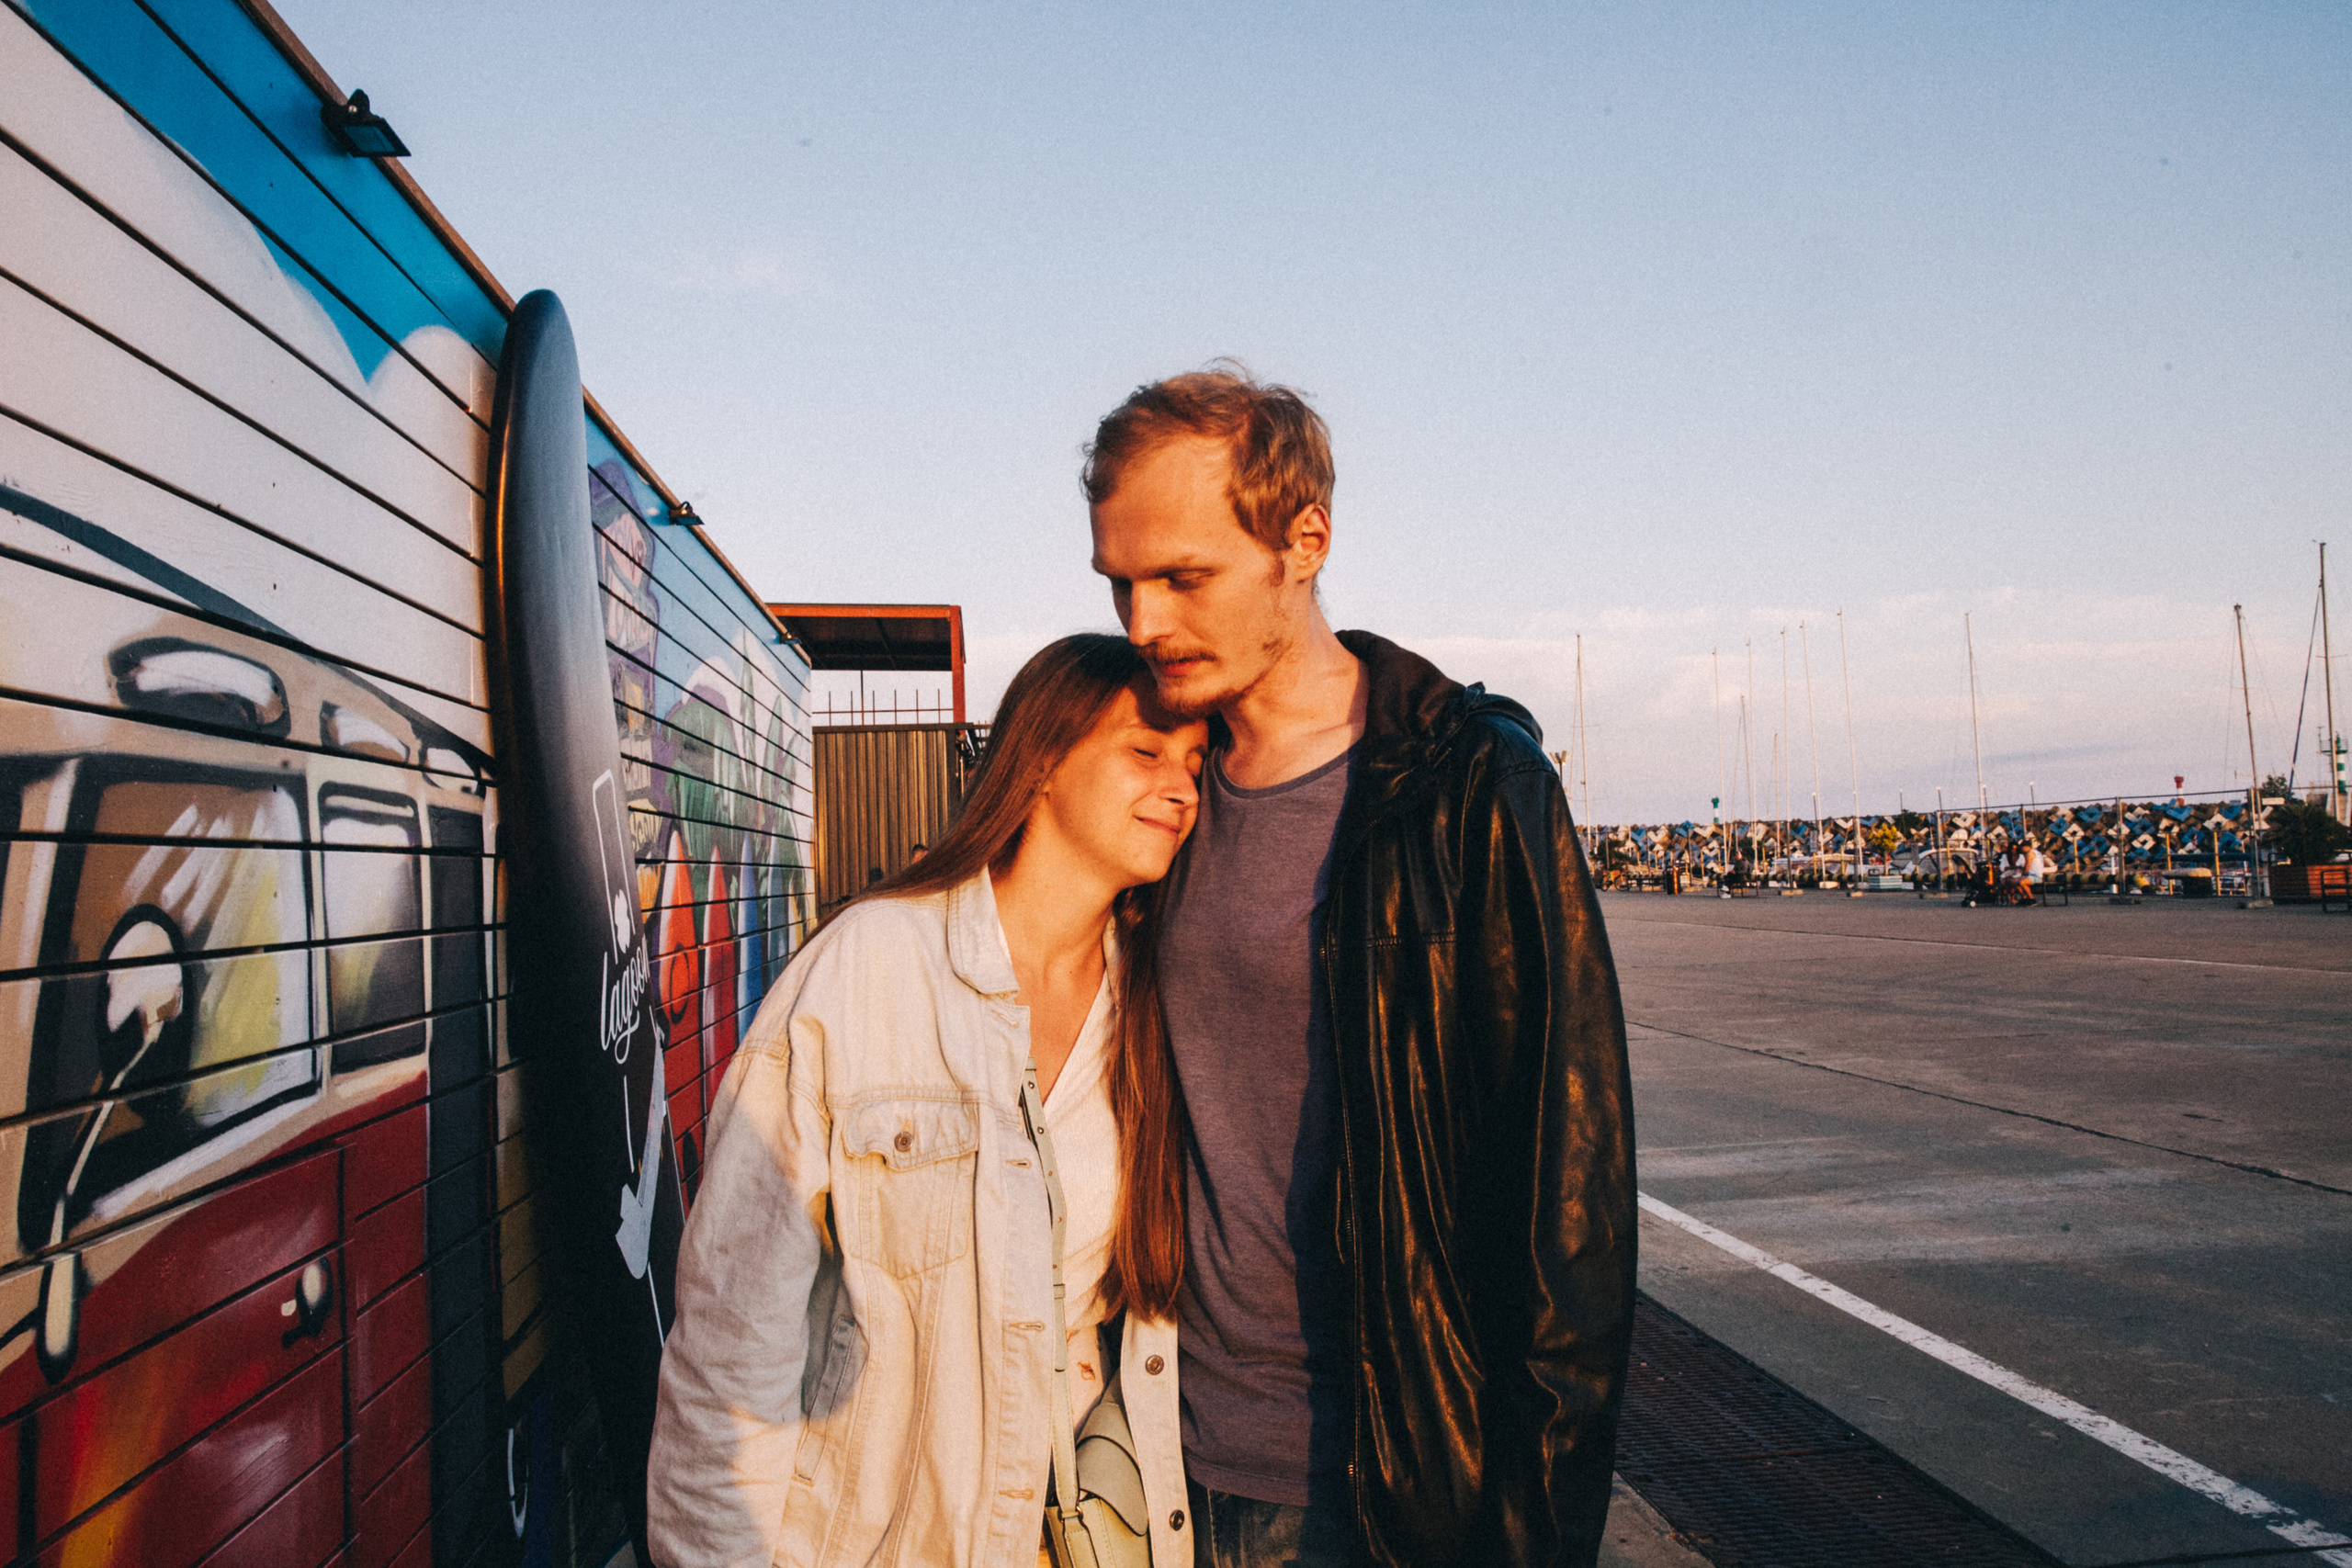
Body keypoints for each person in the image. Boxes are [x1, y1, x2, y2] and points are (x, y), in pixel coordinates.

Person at [1084, 367, 1636, 1568]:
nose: (1142, 623)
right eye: (1120, 582)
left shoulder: (1472, 789)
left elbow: (1570, 1197)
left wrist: (1531, 1520)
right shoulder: (1146, 792)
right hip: (1151, 1462)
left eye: (1184, 576)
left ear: (1304, 539)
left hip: (1384, 1486)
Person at [647, 635, 1208, 1568]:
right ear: (1039, 762)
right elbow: (732, 1341)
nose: (1183, 790)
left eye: (1195, 765)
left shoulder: (1153, 1005)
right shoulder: (872, 966)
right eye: (1146, 753)